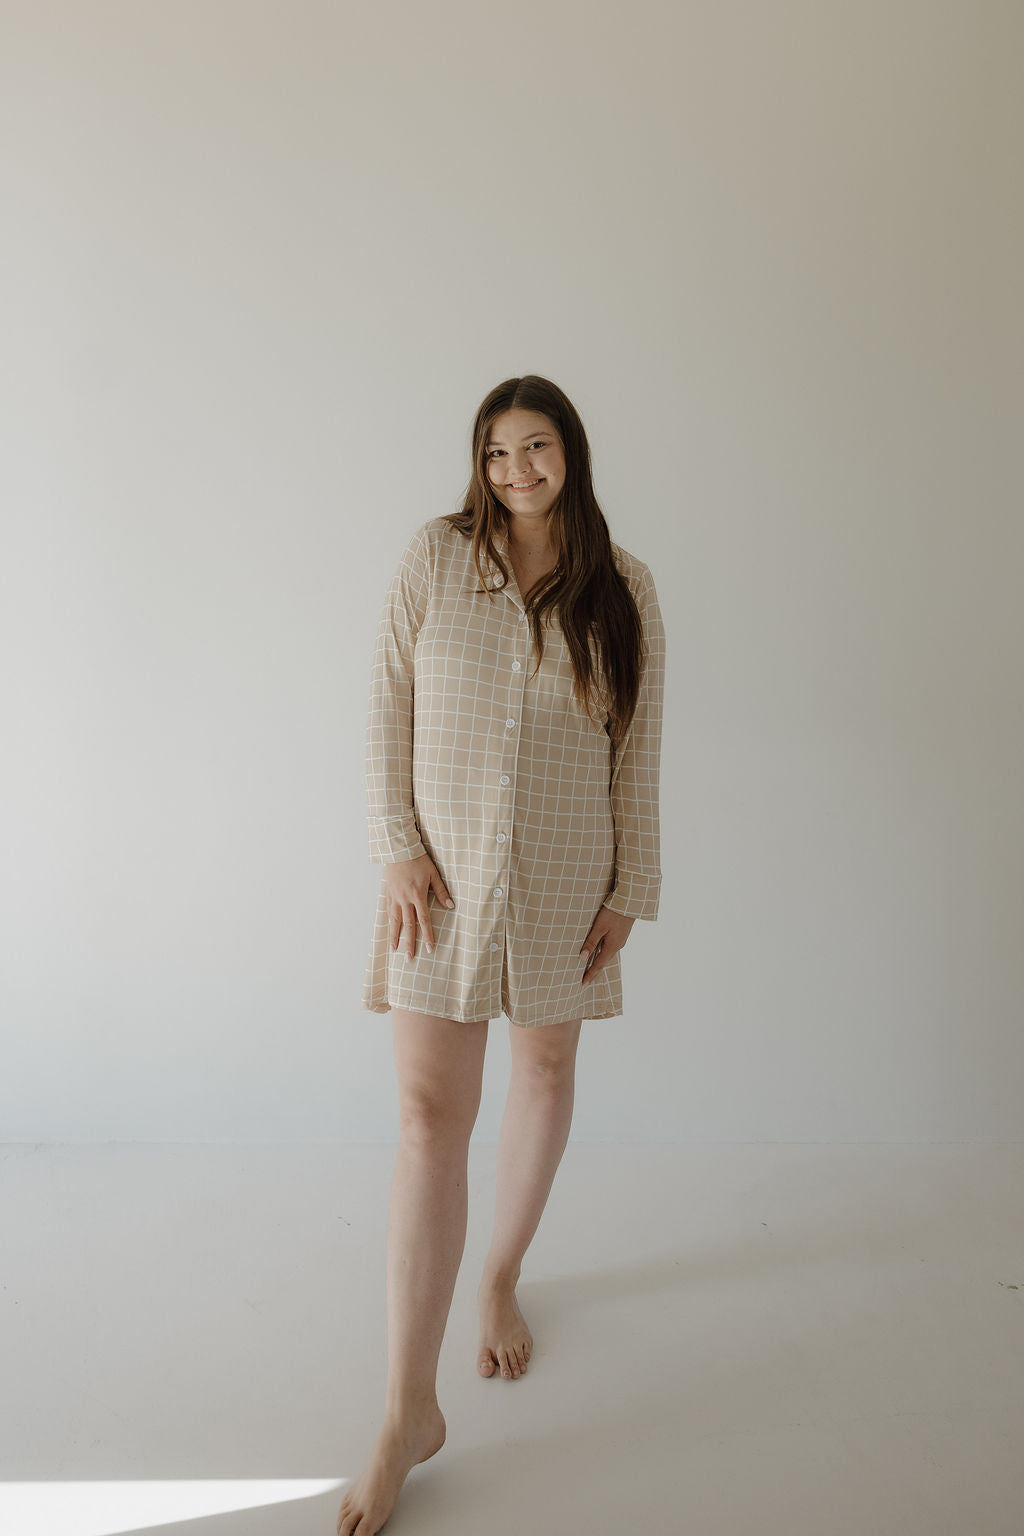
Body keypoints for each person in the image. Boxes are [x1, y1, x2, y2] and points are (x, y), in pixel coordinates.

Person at [337, 374, 665, 1536]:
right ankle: (403, 1411)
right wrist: (394, 849)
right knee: (429, 1118)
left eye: (534, 446)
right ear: (475, 466)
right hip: (441, 880)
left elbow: (639, 747)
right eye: (494, 452)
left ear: (569, 451)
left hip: (568, 879)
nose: (515, 469)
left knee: (545, 1075)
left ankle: (499, 1275)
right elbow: (383, 697)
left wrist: (633, 888)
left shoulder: (625, 589)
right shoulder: (437, 556)